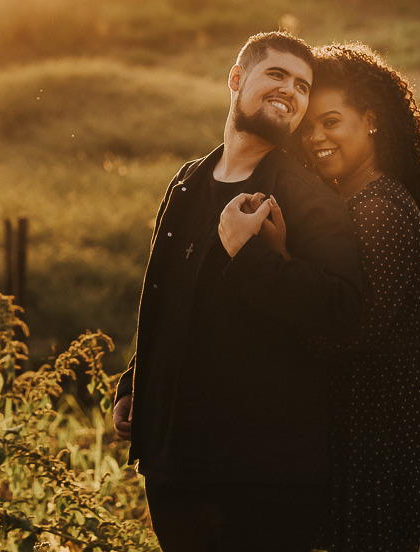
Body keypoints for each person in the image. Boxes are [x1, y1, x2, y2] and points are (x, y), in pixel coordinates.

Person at [112, 31, 364, 552]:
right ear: (235, 79)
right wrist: (137, 384)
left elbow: (343, 307)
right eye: (277, 75)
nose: (290, 91)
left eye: (301, 85)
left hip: (263, 475)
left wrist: (249, 258)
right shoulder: (187, 182)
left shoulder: (304, 195)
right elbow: (171, 300)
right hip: (177, 468)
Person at [226, 42, 420, 551]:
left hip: (388, 419)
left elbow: (348, 334)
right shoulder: (351, 202)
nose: (316, 137)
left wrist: (272, 265)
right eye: (309, 126)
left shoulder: (378, 209)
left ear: (371, 119)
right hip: (365, 414)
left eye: (332, 122)